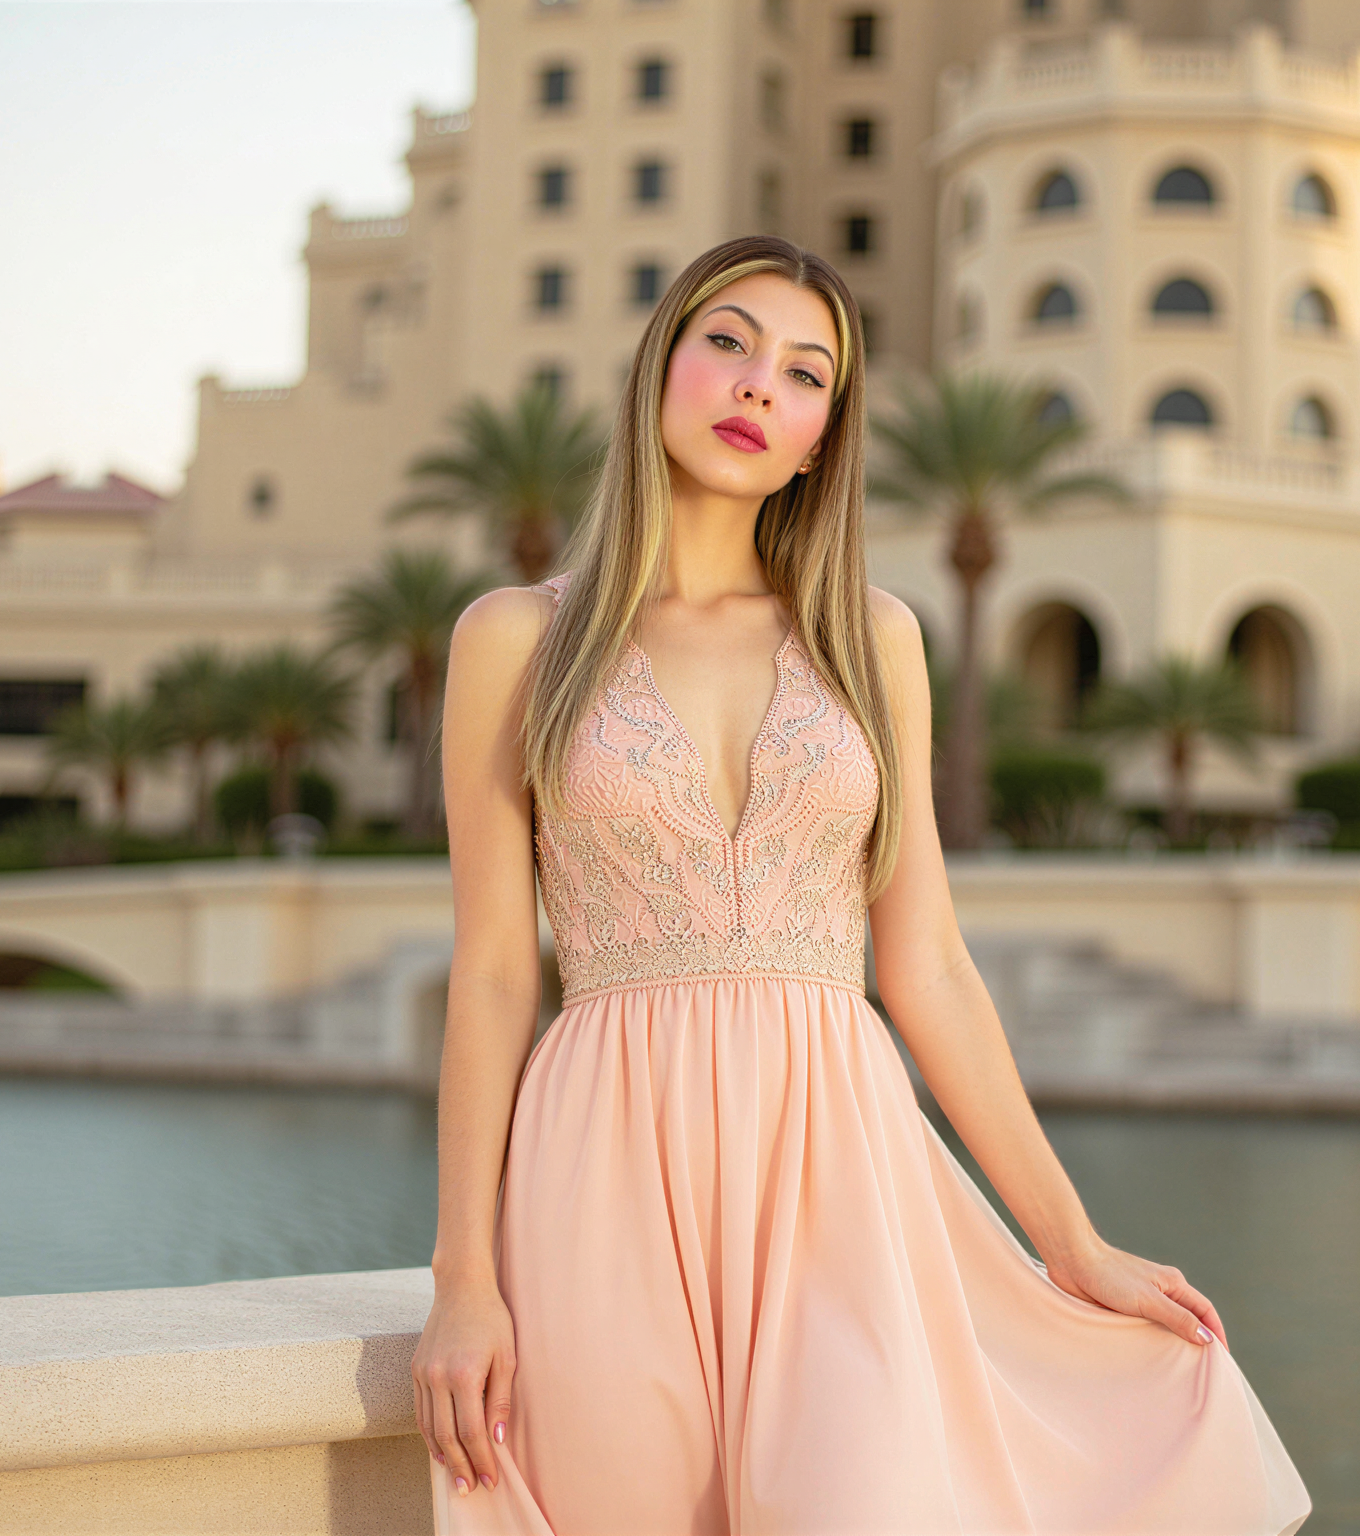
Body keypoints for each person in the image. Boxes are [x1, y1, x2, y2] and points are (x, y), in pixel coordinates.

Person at [411, 234, 1310, 1535]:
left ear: (823, 436)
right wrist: (463, 1279)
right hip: (598, 1168)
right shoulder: (513, 639)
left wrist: (1071, 1239)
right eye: (726, 342)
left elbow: (928, 962)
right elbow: (495, 971)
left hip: (845, 1165)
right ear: (661, 367)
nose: (757, 385)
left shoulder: (874, 640)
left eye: (805, 372)